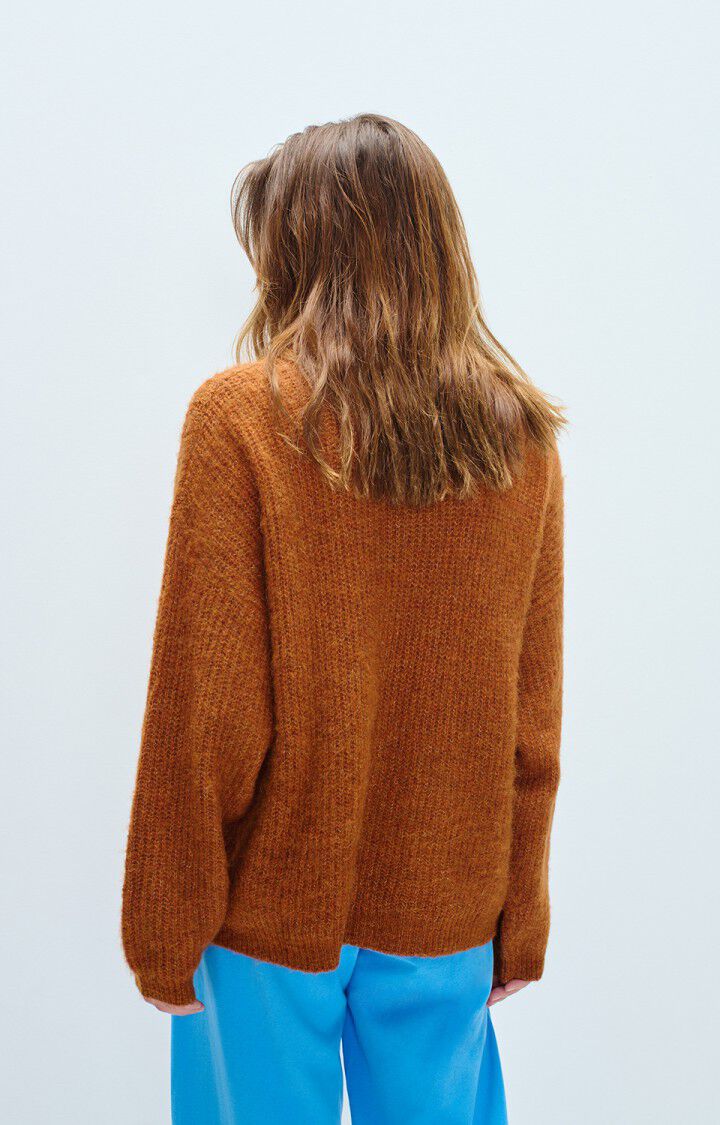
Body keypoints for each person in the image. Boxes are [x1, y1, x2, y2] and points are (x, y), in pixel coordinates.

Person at [122, 113, 565, 1124]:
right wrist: (521, 910)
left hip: (270, 908)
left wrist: (165, 919)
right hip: (449, 902)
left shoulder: (240, 418)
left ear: (297, 250)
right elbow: (530, 712)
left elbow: (205, 705)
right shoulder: (518, 437)